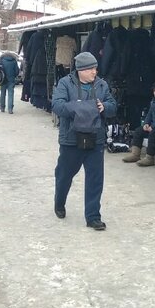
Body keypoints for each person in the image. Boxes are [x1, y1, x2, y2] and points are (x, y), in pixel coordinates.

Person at [51, 51, 118, 230]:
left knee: (95, 179)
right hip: (71, 139)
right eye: (90, 69)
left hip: (96, 138)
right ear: (80, 70)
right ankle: (59, 202)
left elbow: (113, 106)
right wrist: (81, 108)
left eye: (95, 68)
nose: (94, 72)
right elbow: (57, 105)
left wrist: (105, 107)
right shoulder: (65, 83)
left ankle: (93, 217)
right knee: (64, 175)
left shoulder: (102, 85)